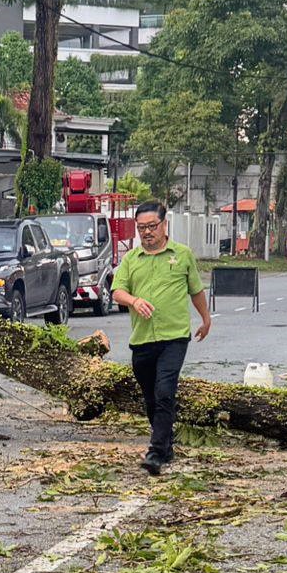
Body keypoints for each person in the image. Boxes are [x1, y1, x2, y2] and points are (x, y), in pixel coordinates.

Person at [111, 200, 212, 475]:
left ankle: (155, 452)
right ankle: (166, 446)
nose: (147, 232)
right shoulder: (132, 259)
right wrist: (134, 300)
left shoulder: (182, 255)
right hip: (142, 339)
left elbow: (196, 291)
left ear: (164, 225)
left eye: (152, 226)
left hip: (174, 337)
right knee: (151, 397)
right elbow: (117, 291)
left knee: (165, 391)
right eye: (141, 227)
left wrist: (205, 319)